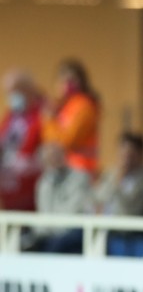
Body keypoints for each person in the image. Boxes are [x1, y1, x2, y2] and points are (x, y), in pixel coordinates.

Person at [43, 59, 100, 175]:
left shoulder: (85, 106)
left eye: (72, 80)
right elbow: (49, 140)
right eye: (63, 80)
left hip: (82, 169)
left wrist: (50, 120)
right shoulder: (63, 107)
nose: (67, 84)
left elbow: (68, 141)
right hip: (64, 168)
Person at [0, 70, 43, 210]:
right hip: (9, 174)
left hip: (31, 174)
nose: (10, 97)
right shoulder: (12, 114)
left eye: (14, 92)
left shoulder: (42, 112)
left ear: (27, 90)